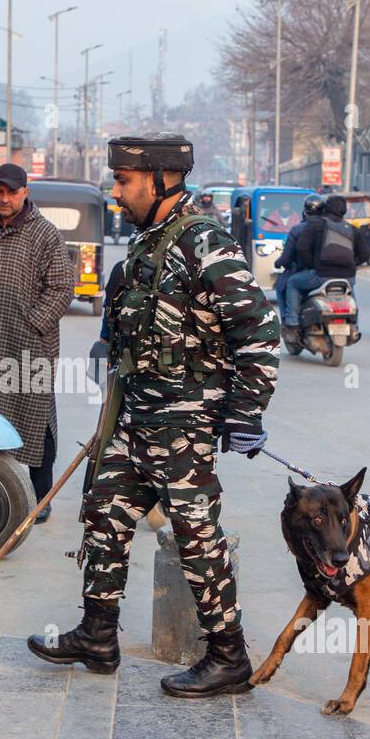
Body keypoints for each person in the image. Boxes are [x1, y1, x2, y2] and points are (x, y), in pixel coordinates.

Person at [28, 132, 279, 698]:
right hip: (137, 419)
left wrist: (245, 413)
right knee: (103, 513)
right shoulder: (150, 241)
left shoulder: (205, 242)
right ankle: (97, 635)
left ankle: (229, 656)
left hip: (184, 425)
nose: (116, 192)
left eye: (123, 181)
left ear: (161, 180)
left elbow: (260, 337)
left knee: (196, 536)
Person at [0, 163, 74, 524]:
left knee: (36, 418)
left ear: (25, 193)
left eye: (12, 192)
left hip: (30, 345)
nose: (4, 199)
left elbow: (62, 287)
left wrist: (33, 323)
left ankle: (40, 497)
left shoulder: (45, 234)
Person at [281, 193, 369, 343]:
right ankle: (354, 326)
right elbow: (365, 254)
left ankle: (293, 323)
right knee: (350, 293)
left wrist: (311, 265)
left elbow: (302, 248)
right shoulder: (353, 229)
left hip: (321, 275)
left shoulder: (316, 224)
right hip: (347, 277)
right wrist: (352, 265)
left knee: (292, 283)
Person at [273, 192, 326, 326]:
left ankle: (291, 320)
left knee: (285, 284)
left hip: (306, 270)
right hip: (331, 270)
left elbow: (287, 257)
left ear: (304, 211)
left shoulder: (298, 229)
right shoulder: (330, 227)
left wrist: (279, 263)